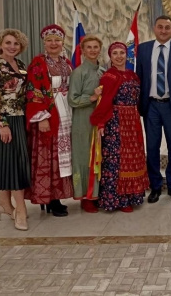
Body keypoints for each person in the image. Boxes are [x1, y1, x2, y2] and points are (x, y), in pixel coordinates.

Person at [90, 42, 150, 211]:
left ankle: (133, 196)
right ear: (110, 56)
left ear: (127, 55)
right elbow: (105, 101)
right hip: (116, 121)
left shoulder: (133, 75)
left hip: (132, 120)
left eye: (121, 53)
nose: (118, 56)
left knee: (133, 158)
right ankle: (118, 200)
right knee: (118, 160)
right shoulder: (109, 76)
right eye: (115, 53)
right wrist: (101, 122)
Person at [136, 15, 171, 203]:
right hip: (150, 105)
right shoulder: (143, 49)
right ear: (154, 28)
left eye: (167, 27)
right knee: (152, 147)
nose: (164, 30)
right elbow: (139, 78)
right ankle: (155, 186)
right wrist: (137, 106)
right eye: (160, 27)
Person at [0, 29, 30, 231]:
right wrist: (2, 124)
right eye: (8, 43)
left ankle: (4, 203)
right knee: (15, 163)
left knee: (11, 161)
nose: (12, 46)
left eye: (16, 44)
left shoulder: (20, 65)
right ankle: (21, 210)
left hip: (20, 118)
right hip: (4, 120)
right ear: (0, 45)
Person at [25, 24, 74, 217]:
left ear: (63, 43)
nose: (54, 43)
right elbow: (33, 90)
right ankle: (50, 198)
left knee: (62, 156)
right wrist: (42, 117)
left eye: (57, 40)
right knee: (50, 156)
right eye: (49, 40)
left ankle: (59, 195)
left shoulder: (66, 63)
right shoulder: (38, 63)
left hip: (66, 112)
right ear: (44, 43)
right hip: (50, 114)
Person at [68, 35, 104, 213]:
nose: (92, 50)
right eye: (88, 47)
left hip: (101, 120)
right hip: (83, 120)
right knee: (84, 156)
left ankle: (97, 194)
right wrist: (92, 97)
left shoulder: (103, 71)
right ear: (82, 50)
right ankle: (85, 196)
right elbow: (72, 99)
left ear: (100, 49)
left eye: (95, 47)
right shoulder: (79, 72)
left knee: (99, 156)